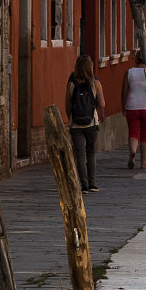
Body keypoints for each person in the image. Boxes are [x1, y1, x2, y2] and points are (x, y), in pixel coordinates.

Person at [66, 55, 104, 192]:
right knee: (91, 152)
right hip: (92, 122)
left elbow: (67, 106)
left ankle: (84, 185)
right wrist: (101, 115)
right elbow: (102, 103)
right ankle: (92, 183)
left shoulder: (71, 84)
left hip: (76, 124)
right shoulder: (95, 83)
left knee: (80, 154)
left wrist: (71, 119)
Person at [122, 47, 146, 170]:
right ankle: (144, 163)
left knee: (133, 132)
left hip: (132, 106)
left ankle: (133, 151)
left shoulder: (129, 72)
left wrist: (123, 106)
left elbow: (124, 91)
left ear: (135, 59)